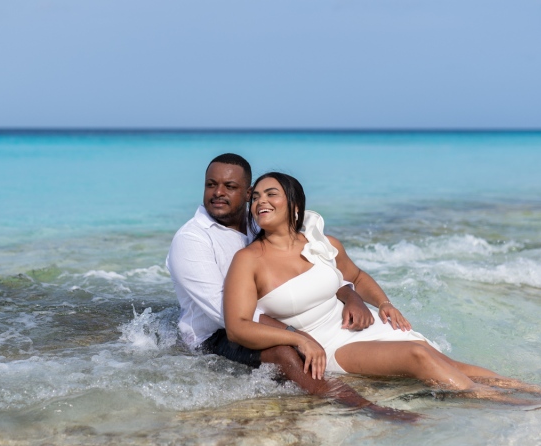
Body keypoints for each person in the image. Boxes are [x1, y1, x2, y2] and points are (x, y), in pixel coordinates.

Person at [224, 172, 541, 404]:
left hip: (362, 324)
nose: (259, 202)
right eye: (255, 197)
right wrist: (299, 339)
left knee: (446, 361)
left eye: (271, 194)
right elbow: (238, 327)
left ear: (294, 205)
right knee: (418, 356)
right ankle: (505, 404)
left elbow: (356, 277)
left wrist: (383, 303)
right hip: (326, 343)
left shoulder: (323, 243)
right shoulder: (249, 260)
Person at [167, 154, 418, 420]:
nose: (218, 193)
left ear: (249, 193)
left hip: (277, 317)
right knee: (284, 352)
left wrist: (350, 295)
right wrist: (297, 335)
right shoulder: (192, 240)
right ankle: (364, 407)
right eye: (211, 184)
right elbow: (227, 316)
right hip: (215, 334)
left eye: (230, 187)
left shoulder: (261, 223)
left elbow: (314, 271)